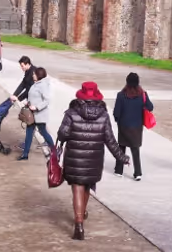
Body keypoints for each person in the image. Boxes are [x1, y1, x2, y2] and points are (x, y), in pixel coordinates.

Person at [57, 82, 125, 241]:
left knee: (77, 188)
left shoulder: (71, 112)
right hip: (94, 160)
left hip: (74, 157)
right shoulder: (103, 115)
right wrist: (122, 157)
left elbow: (62, 135)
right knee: (87, 185)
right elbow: (110, 140)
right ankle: (82, 213)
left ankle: (79, 224)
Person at [112, 72, 154, 181]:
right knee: (135, 150)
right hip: (136, 127)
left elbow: (116, 112)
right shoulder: (143, 95)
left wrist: (118, 121)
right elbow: (150, 107)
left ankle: (119, 170)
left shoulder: (121, 95)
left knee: (121, 148)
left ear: (127, 82)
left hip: (123, 126)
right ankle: (138, 173)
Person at [20, 67, 56, 162]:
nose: (33, 75)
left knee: (43, 132)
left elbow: (47, 100)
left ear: (39, 75)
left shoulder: (43, 85)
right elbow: (33, 97)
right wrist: (28, 103)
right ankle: (25, 154)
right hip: (31, 115)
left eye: (34, 74)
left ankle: (54, 151)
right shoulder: (36, 84)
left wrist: (36, 107)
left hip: (39, 114)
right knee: (28, 134)